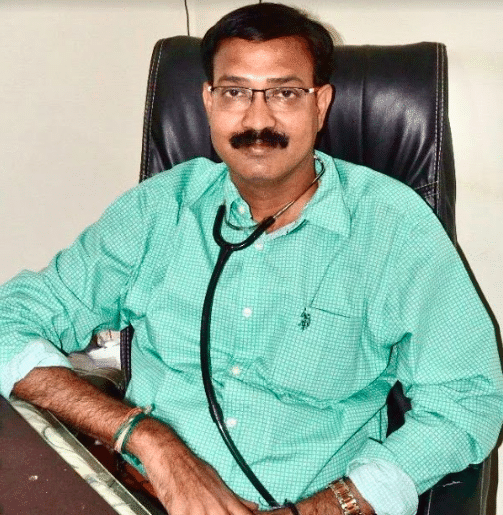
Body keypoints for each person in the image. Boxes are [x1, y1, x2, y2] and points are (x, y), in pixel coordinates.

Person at [1, 3, 502, 515]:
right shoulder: (160, 208)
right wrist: (148, 438)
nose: (257, 119)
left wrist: (322, 509)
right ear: (208, 101)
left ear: (321, 104)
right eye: (235, 92)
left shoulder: (393, 227)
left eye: (285, 93)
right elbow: (8, 321)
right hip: (138, 493)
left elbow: (470, 400)